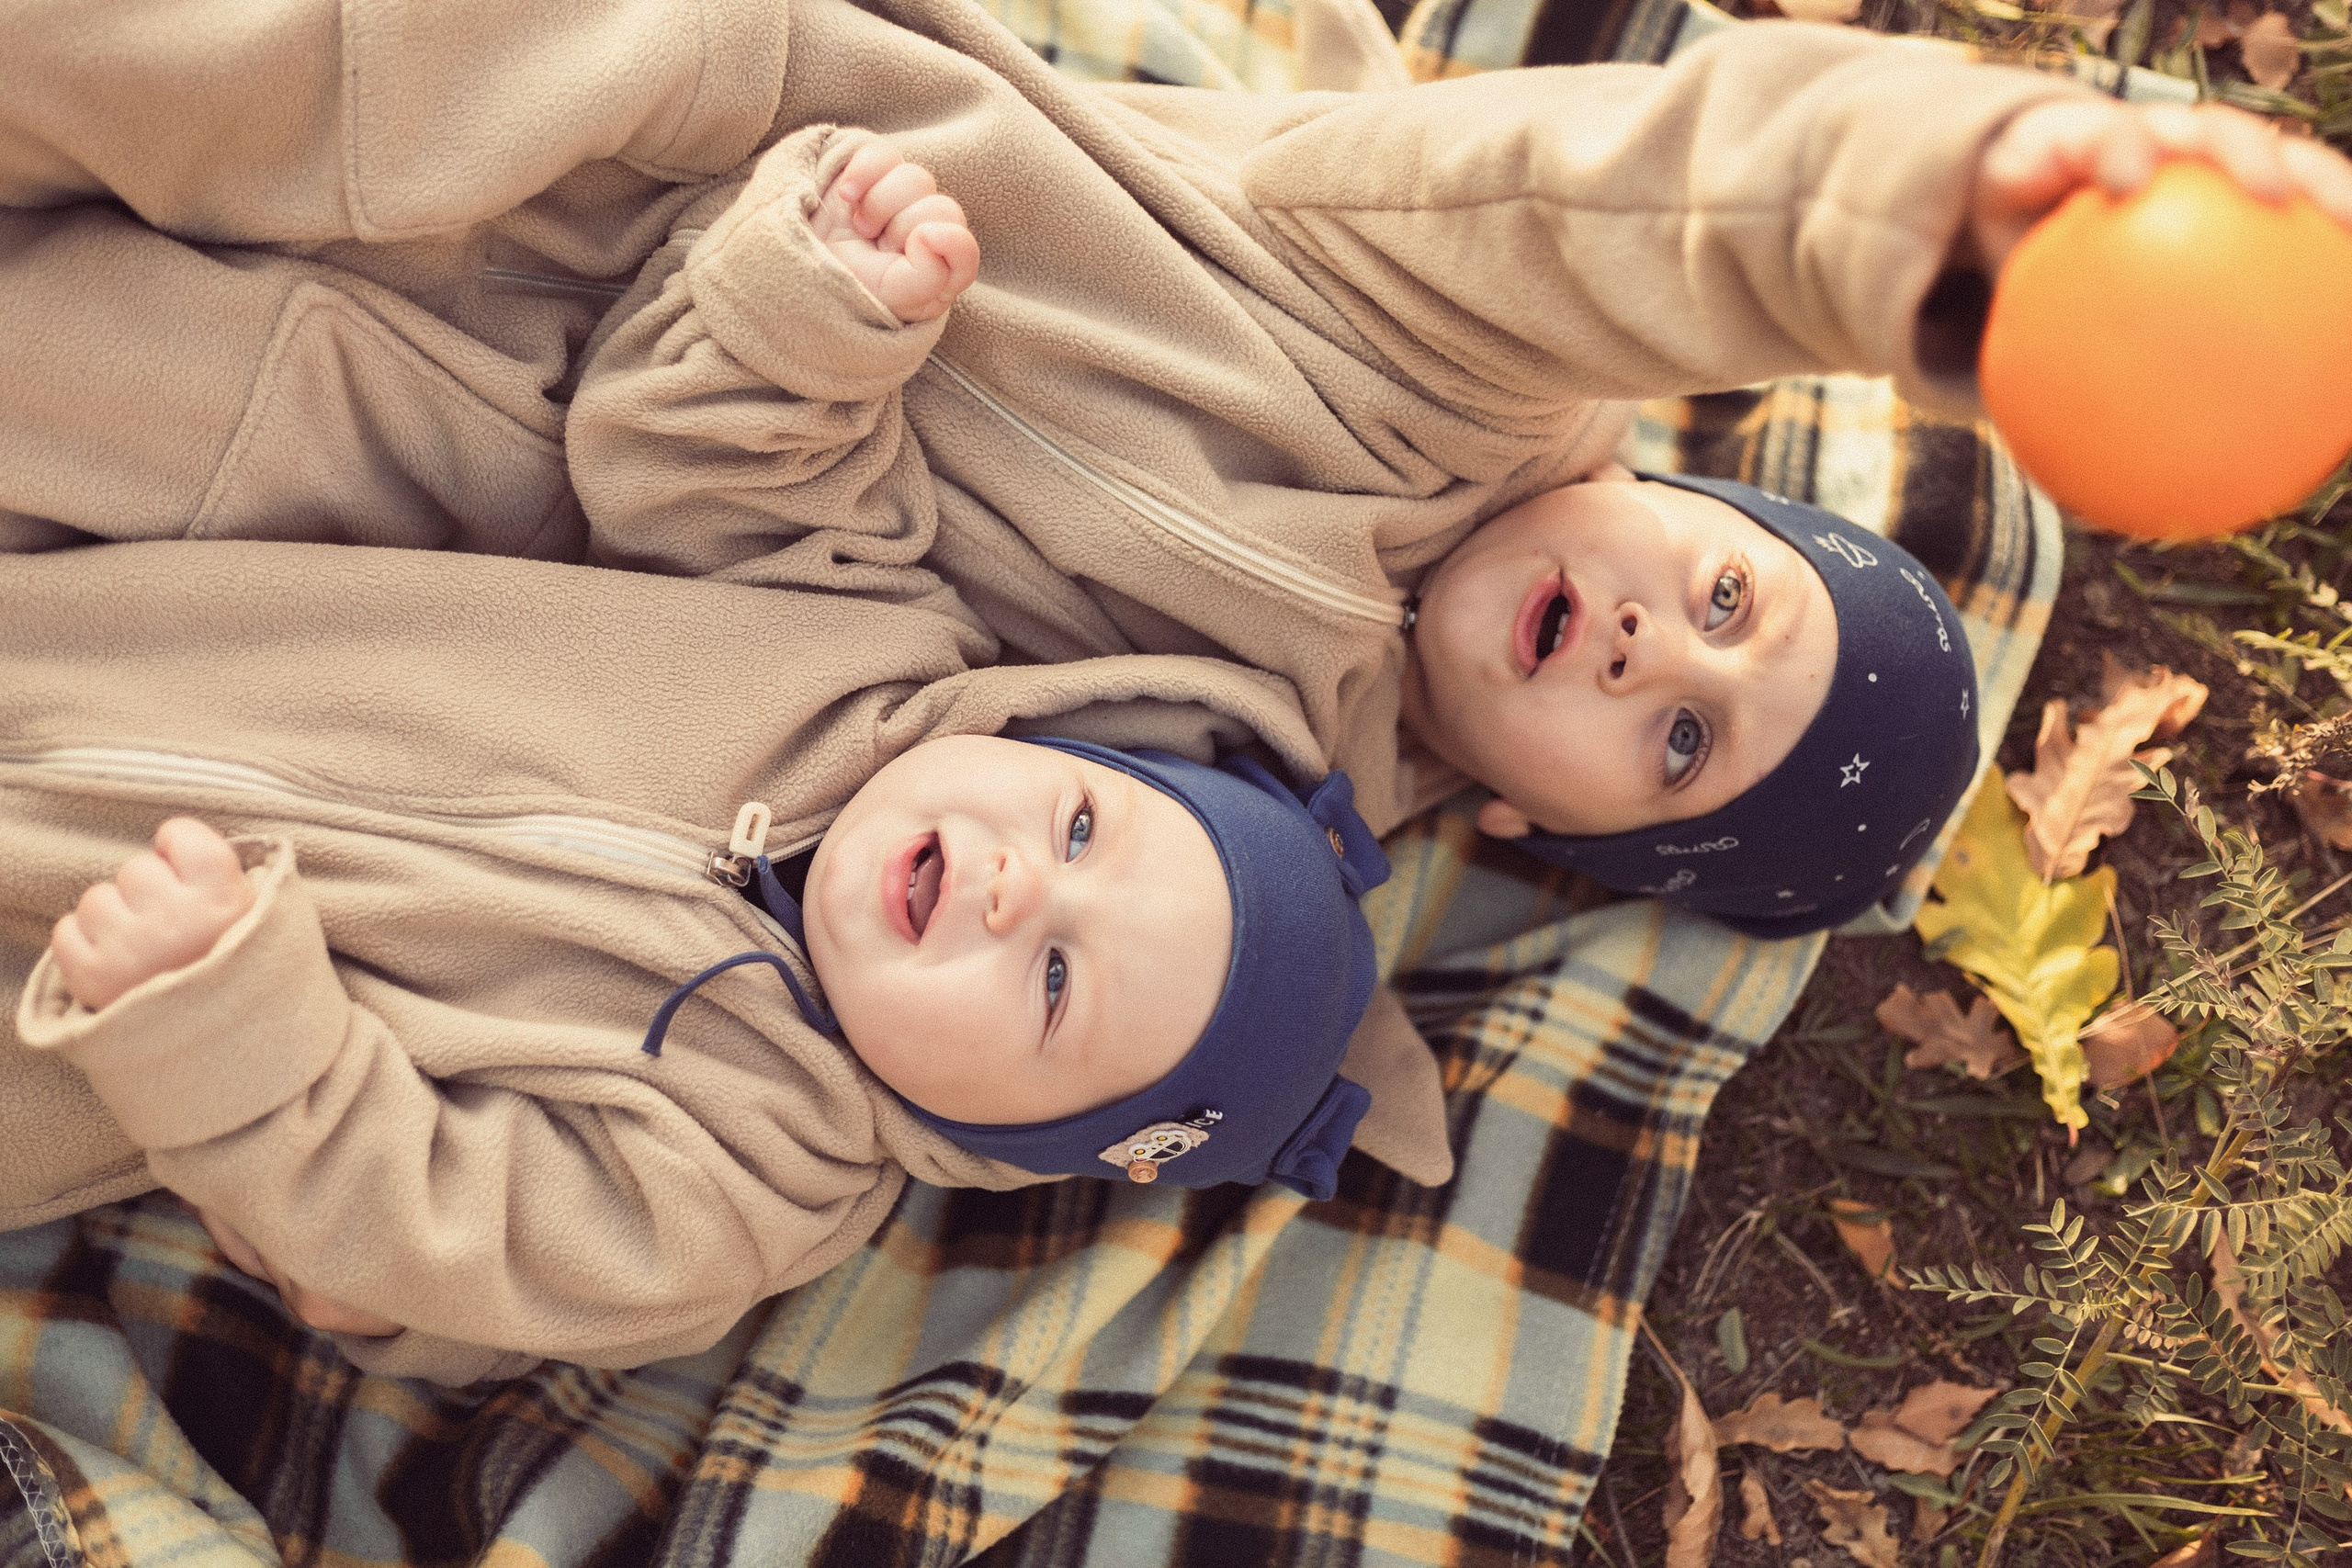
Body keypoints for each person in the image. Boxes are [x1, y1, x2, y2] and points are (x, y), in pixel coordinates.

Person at [8, 0, 2351, 929]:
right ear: (1681, 491)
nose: (1655, 644)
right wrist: (1945, 222)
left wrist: (798, 343)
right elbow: (1635, 189)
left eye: (1671, 739)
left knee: (136, 445)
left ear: (1544, 824)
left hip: (489, 453)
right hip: (616, 124)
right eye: (1722, 601)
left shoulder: (1216, 797)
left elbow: (802, 637)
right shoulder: (1446, 338)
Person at [0, 540, 1450, 1383]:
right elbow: (687, 460)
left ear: (996, 1137)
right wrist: (812, 303)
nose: (1018, 884)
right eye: (1082, 821)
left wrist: (228, 1031)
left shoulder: (752, 1183)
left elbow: (447, 1232)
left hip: (74, 975)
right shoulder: (870, 653)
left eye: (1058, 982)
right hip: (110, 630)